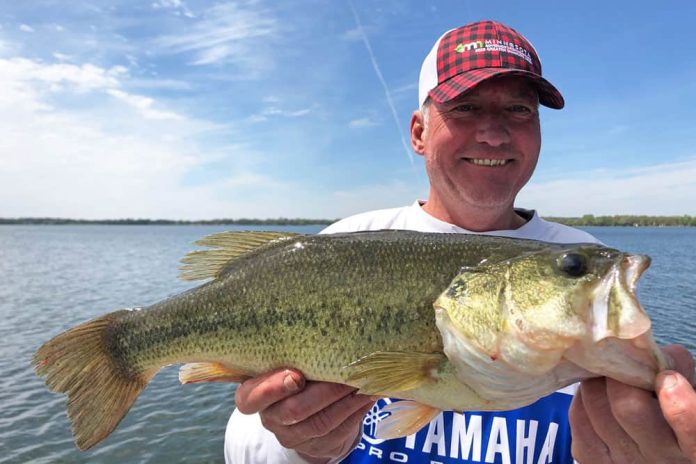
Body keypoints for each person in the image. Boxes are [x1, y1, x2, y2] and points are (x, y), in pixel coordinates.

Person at [224, 20, 696, 463]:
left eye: (518, 109)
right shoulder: (343, 246)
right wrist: (302, 448)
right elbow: (242, 443)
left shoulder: (580, 269)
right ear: (418, 132)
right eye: (466, 107)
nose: (494, 133)